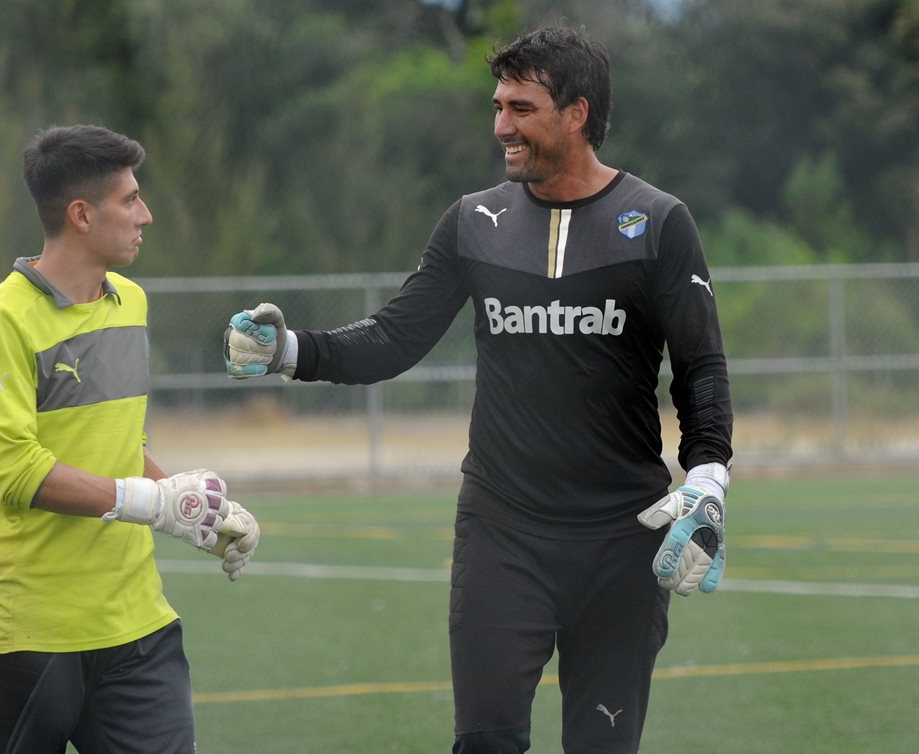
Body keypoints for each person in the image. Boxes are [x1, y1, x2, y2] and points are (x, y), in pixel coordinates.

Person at [223, 24, 732, 754]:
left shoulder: (657, 222)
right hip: (503, 533)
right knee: (485, 745)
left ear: (577, 113)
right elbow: (395, 337)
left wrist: (708, 478)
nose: (501, 126)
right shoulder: (473, 222)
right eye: (498, 106)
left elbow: (700, 365)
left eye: (521, 108)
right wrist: (290, 351)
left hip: (624, 539)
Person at [0, 123, 260, 754]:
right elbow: (14, 472)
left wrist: (197, 510)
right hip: (28, 636)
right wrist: (149, 503)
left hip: (138, 629)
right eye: (130, 200)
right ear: (81, 215)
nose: (145, 215)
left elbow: (121, 446)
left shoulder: (133, 303)